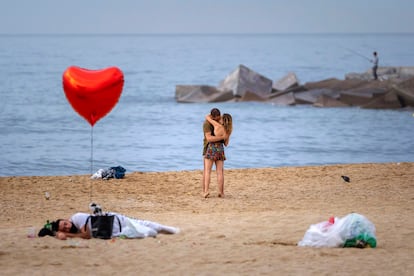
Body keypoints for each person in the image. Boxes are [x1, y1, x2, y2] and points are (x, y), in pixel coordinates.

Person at [38, 211, 180, 240]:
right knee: (149, 232)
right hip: (115, 232)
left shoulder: (77, 218)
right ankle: (167, 231)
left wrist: (67, 234)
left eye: (65, 224)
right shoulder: (75, 229)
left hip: (117, 221)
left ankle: (174, 231)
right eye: (65, 228)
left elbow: (86, 235)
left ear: (65, 219)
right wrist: (56, 235)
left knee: (150, 225)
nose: (67, 227)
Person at [203, 109, 233, 198]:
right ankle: (221, 192)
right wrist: (223, 137)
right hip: (220, 149)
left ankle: (206, 191)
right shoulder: (228, 130)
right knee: (220, 172)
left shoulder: (217, 125)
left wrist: (209, 116)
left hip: (212, 147)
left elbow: (208, 118)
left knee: (207, 171)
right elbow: (226, 144)